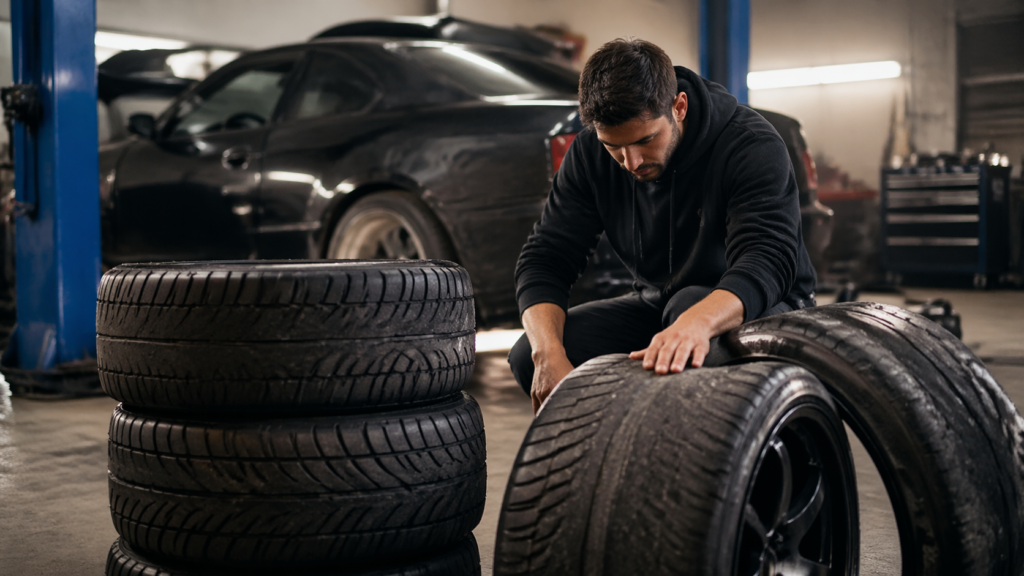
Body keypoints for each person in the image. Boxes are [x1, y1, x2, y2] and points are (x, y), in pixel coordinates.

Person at [509, 37, 817, 413]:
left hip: (764, 303)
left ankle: (723, 460)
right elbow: (547, 258)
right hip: (663, 304)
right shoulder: (589, 155)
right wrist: (547, 354)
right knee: (529, 353)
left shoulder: (750, 144)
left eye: (645, 140)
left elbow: (767, 260)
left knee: (688, 310)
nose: (632, 162)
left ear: (679, 107)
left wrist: (696, 323)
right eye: (613, 147)